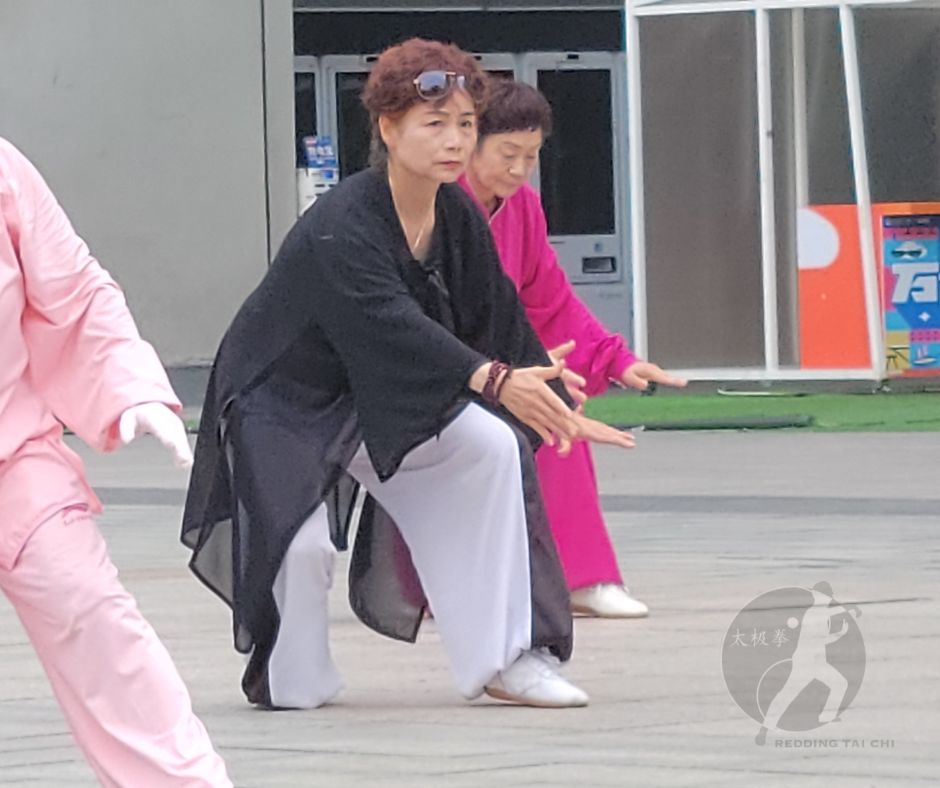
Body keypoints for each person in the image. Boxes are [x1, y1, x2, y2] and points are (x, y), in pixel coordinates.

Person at [181, 38, 634, 712]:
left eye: (466, 125)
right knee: (299, 556)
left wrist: (548, 385)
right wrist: (492, 380)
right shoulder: (339, 223)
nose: (455, 141)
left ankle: (509, 656)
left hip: (385, 397)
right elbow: (392, 322)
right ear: (389, 129)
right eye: (435, 123)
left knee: (491, 450)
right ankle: (291, 677)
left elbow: (496, 315)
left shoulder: (457, 215)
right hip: (283, 400)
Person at [0, 137, 232, 786]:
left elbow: (74, 291)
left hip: (14, 459)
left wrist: (132, 387)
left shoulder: (3, 170)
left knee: (96, 616)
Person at [459, 80, 687, 619]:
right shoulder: (441, 205)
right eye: (507, 154)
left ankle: (582, 576)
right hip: (442, 365)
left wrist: (616, 357)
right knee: (539, 406)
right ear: (471, 144)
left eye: (530, 157)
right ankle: (443, 586)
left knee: (556, 405)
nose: (518, 170)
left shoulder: (525, 209)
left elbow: (552, 301)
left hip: (498, 364)